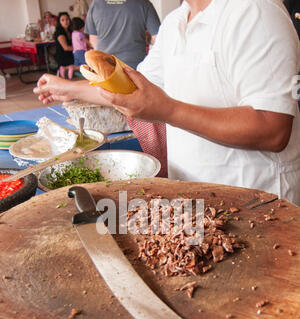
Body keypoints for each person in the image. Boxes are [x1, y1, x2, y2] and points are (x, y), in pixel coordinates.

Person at [34, 0, 300, 205]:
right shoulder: (175, 22)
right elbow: (133, 88)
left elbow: (272, 129)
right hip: (195, 203)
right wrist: (69, 88)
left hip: (257, 206)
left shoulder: (255, 11)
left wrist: (168, 110)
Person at [84, 0, 161, 69]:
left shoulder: (96, 4)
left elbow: (93, 40)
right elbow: (158, 39)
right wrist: (147, 38)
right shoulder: (143, 3)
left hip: (105, 68)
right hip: (135, 69)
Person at [54, 12, 74, 79]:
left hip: (71, 54)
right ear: (59, 22)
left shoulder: (70, 31)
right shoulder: (59, 32)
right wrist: (79, 48)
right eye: (62, 20)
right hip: (63, 57)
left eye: (67, 19)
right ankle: (66, 68)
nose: (66, 22)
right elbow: (66, 48)